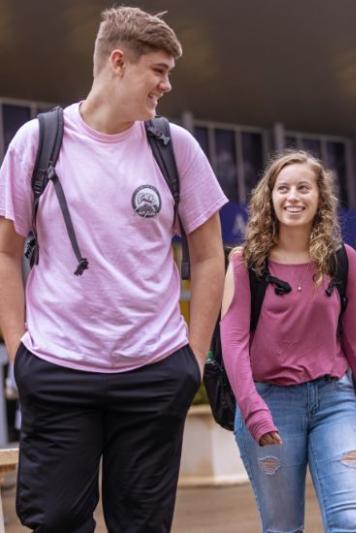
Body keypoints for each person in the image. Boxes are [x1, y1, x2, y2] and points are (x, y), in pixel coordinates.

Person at [0, 7, 227, 532]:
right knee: (54, 519)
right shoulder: (37, 142)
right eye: (160, 70)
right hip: (59, 368)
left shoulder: (175, 147)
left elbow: (211, 254)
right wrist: (20, 351)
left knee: (143, 526)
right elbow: (7, 252)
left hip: (154, 371)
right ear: (118, 62)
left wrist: (192, 357)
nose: (167, 85)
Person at [221, 150, 356, 533]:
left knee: (352, 523)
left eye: (304, 188)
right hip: (269, 402)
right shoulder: (245, 262)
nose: (293, 197)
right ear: (269, 198)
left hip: (335, 401)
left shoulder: (343, 260)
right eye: (283, 189)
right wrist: (253, 411)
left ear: (320, 197)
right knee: (283, 528)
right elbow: (232, 344)